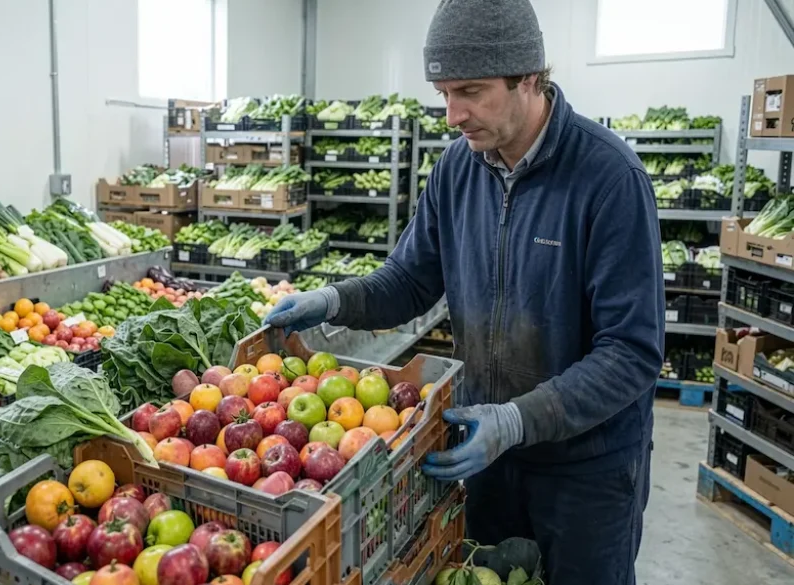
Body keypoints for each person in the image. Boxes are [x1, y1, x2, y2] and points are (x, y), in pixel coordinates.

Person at [265, 1, 664, 583]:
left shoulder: (608, 179)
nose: (453, 114)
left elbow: (631, 352)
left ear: (529, 76)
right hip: (483, 452)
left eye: (471, 91)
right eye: (444, 93)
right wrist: (335, 300)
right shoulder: (458, 169)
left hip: (588, 470)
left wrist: (519, 419)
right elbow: (408, 281)